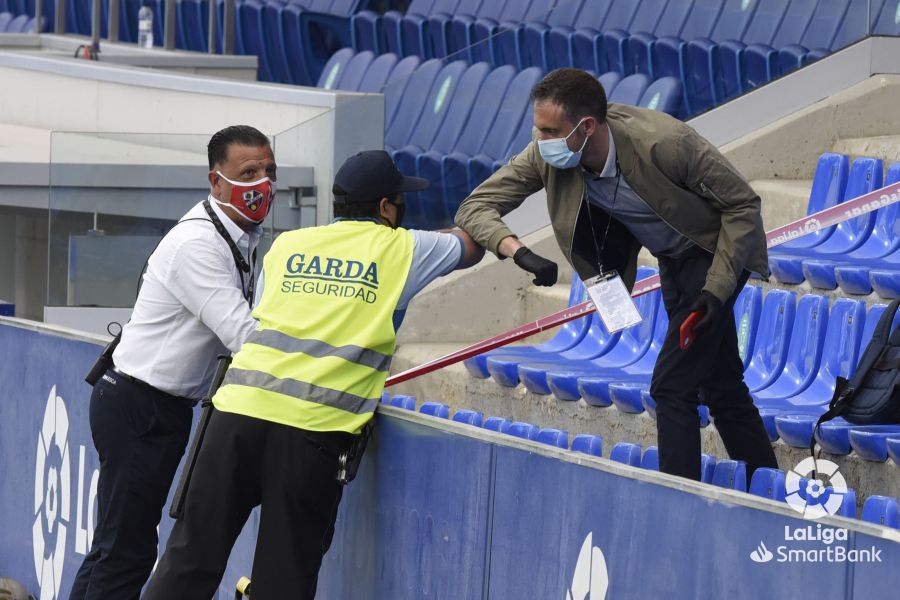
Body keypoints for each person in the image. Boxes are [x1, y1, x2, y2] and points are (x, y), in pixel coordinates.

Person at [142, 150, 484, 600]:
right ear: (385, 208)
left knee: (188, 561)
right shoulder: (404, 248)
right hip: (311, 433)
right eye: (399, 202)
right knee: (284, 579)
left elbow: (263, 321)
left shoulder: (288, 245)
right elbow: (472, 243)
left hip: (235, 416)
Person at [454, 68, 778, 482]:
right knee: (722, 387)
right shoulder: (547, 154)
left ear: (587, 127)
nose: (540, 140)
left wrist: (716, 290)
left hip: (713, 254)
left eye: (551, 130)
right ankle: (771, 488)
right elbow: (475, 206)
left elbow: (743, 206)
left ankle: (678, 502)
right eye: (538, 129)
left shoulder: (664, 143)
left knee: (671, 387)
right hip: (671, 260)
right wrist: (519, 252)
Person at [70, 125, 276, 600]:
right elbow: (245, 335)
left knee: (114, 547)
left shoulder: (239, 236)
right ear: (216, 182)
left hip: (149, 406)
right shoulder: (198, 245)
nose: (262, 183)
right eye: (248, 172)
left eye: (269, 171)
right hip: (141, 408)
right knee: (126, 552)